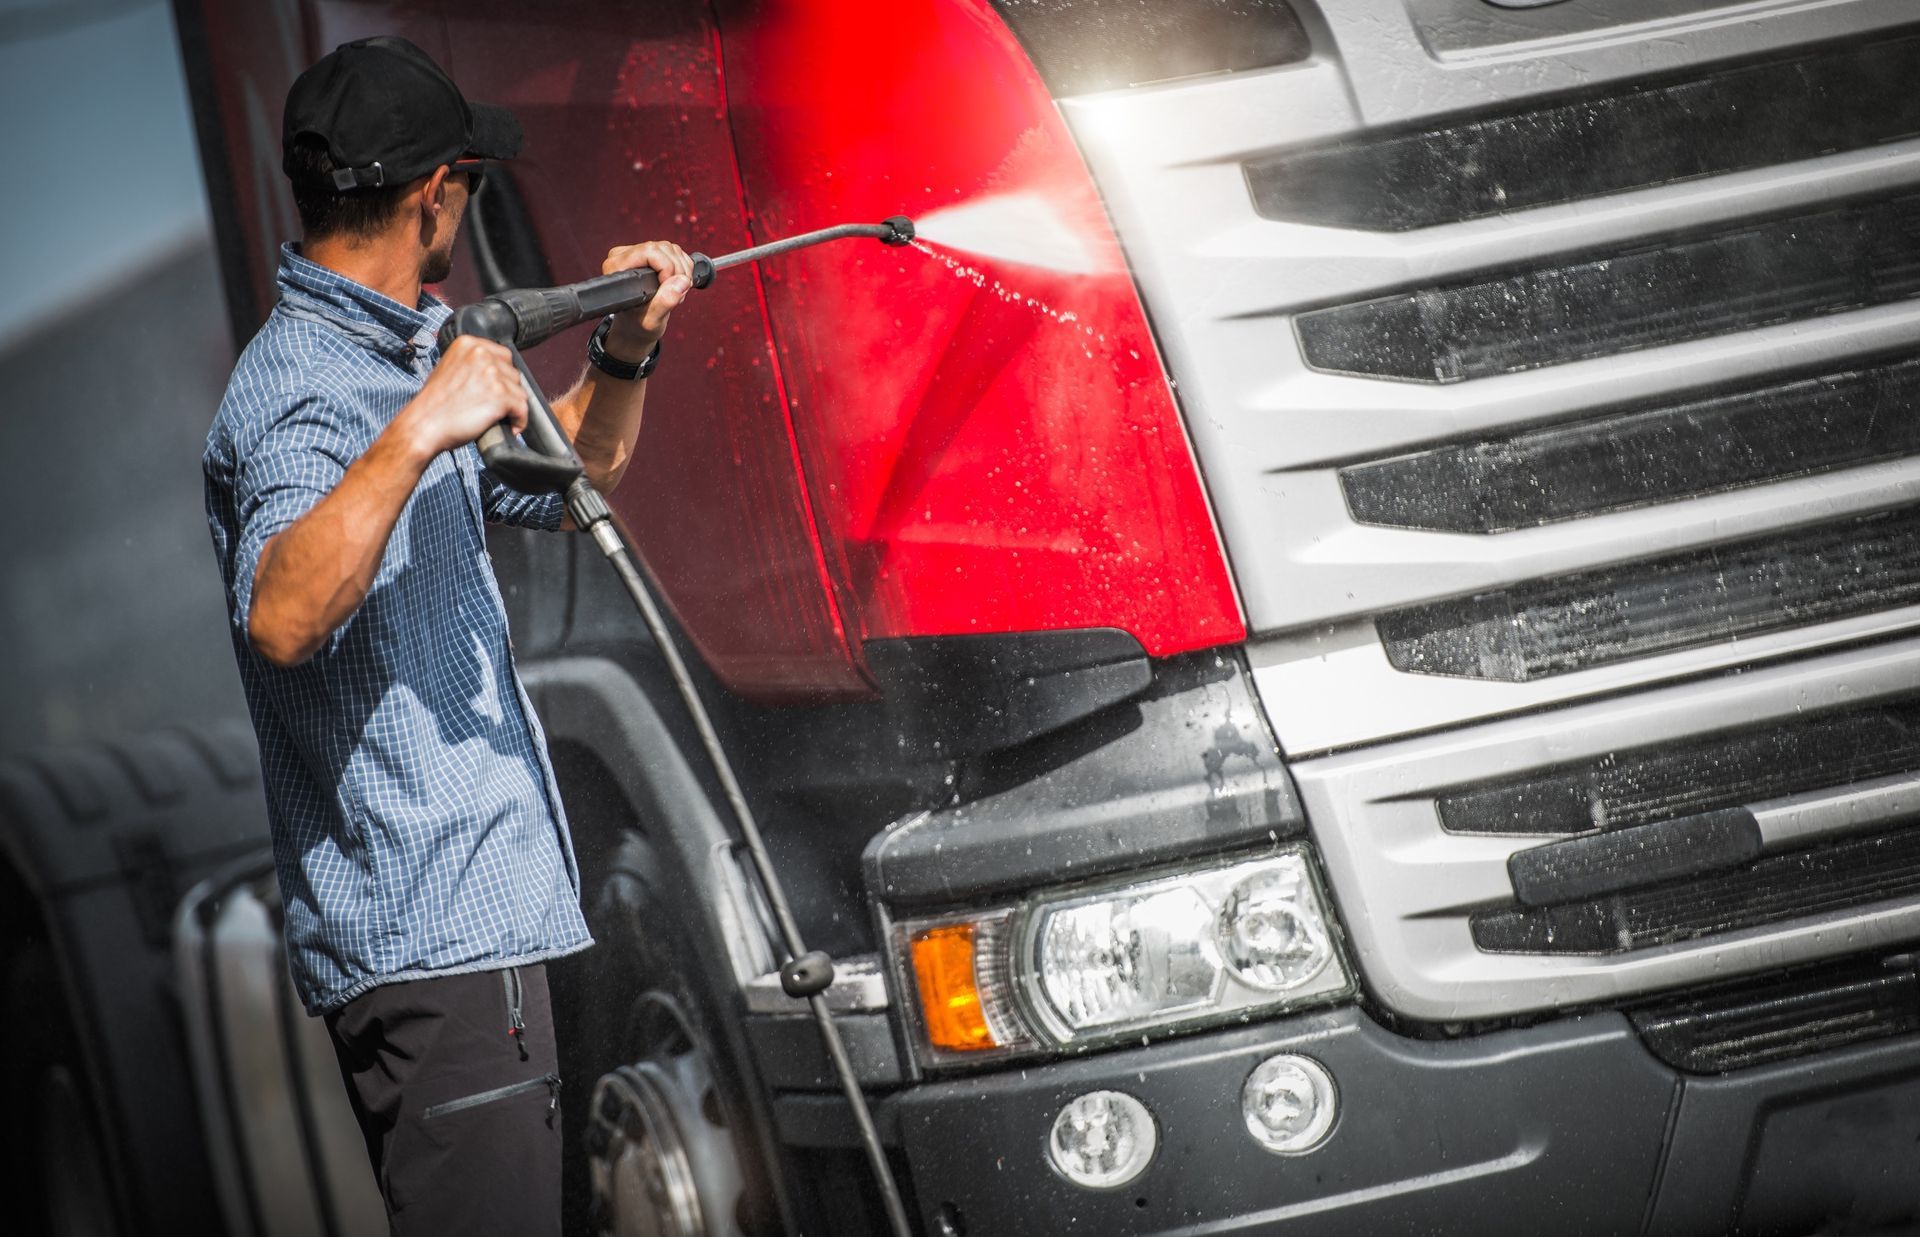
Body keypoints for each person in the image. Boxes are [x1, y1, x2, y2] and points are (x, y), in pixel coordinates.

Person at [202, 35, 690, 1235]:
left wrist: (628, 340)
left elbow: (580, 466)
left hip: (493, 934)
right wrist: (418, 428)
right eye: (468, 187)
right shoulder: (302, 389)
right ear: (435, 197)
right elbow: (280, 613)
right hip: (435, 957)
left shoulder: (399, 349)